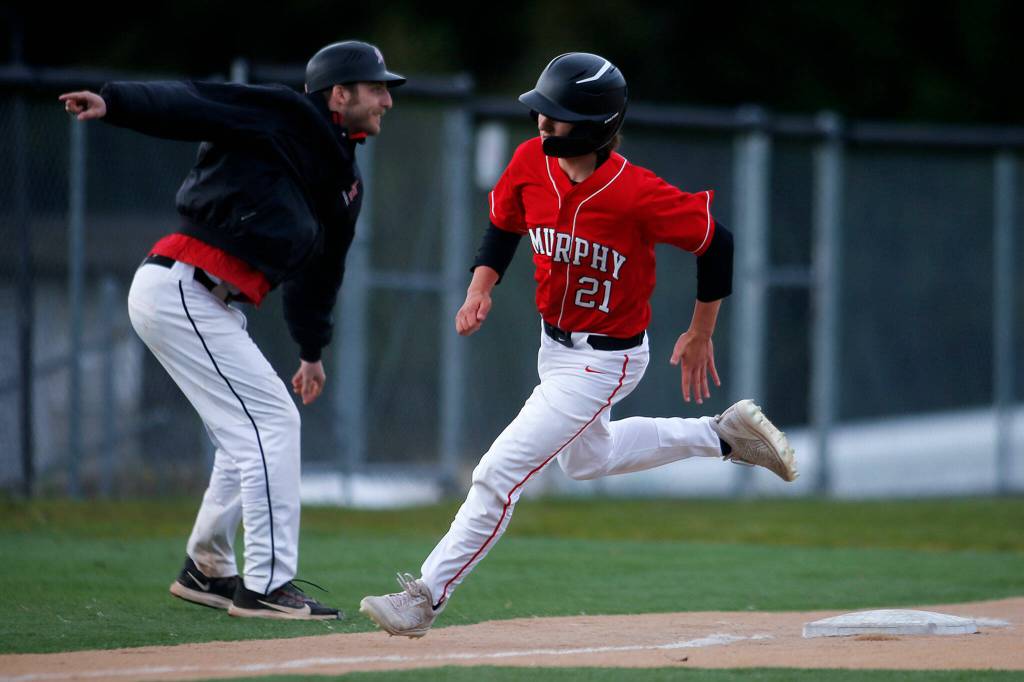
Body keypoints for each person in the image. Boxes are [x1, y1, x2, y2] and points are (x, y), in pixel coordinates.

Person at [358, 52, 797, 637]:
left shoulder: (635, 192)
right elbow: (504, 224)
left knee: (497, 473)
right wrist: (479, 288)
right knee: (587, 460)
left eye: (555, 115)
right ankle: (720, 436)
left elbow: (716, 243)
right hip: (556, 348)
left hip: (606, 359)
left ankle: (424, 596)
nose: (542, 123)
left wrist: (701, 332)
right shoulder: (528, 162)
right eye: (540, 111)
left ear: (593, 126)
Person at [58, 40, 405, 620]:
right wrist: (115, 102)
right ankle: (266, 585)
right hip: (181, 286)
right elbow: (197, 102)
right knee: (272, 422)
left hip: (202, 299)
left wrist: (310, 349)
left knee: (245, 435)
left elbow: (322, 273)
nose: (388, 100)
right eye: (377, 88)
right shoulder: (285, 114)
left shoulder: (344, 182)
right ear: (339, 95)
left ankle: (207, 568)